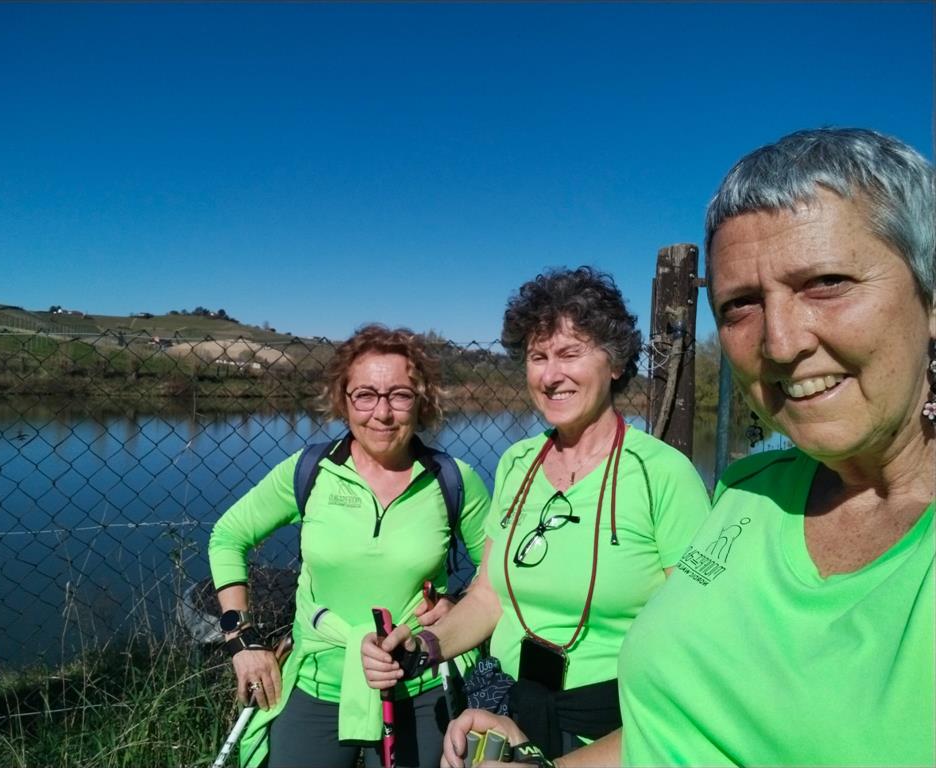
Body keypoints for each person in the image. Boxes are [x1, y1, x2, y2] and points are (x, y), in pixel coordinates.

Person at [442, 127, 936, 767]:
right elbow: (676, 730)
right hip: (521, 705)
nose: (781, 342)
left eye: (826, 282)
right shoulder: (748, 492)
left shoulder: (664, 474)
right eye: (741, 305)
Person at [363, 267, 711, 759]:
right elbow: (487, 597)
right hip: (503, 714)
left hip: (609, 731)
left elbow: (697, 639)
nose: (550, 376)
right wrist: (425, 646)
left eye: (570, 353)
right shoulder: (517, 464)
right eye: (538, 357)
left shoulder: (663, 474)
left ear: (614, 363)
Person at [209, 324, 491, 768]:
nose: (382, 413)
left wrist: (458, 604)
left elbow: (498, 574)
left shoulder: (454, 480)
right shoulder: (309, 471)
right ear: (343, 400)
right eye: (365, 395)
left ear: (422, 402)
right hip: (316, 685)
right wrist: (242, 640)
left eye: (400, 395)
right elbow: (228, 537)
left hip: (416, 688)